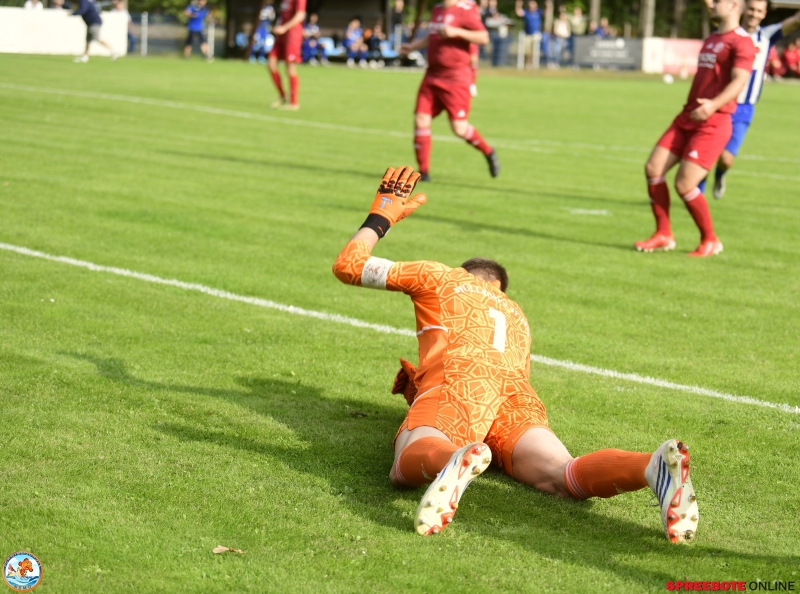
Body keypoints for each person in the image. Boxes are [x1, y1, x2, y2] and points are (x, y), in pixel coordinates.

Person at [331, 165, 700, 543]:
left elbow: (348, 266)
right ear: (499, 286)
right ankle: (649, 466)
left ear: (466, 271)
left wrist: (380, 218)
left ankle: (451, 458)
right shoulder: (517, 314)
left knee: (404, 464)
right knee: (562, 474)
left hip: (462, 379)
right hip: (515, 394)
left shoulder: (442, 277)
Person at [635, 0, 756, 257]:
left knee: (685, 184)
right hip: (687, 116)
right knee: (653, 168)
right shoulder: (712, 38)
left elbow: (740, 81)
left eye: (718, 1)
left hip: (713, 122)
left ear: (734, 5)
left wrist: (713, 105)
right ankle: (663, 234)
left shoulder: (742, 42)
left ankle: (710, 240)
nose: (712, 5)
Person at [698, 0, 800, 199]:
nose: (754, 14)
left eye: (759, 11)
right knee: (706, 154)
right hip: (719, 104)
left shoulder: (767, 35)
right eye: (751, 9)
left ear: (764, 14)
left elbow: (796, 21)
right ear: (744, 9)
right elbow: (711, 6)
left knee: (726, 159)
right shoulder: (729, 30)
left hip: (743, 109)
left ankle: (720, 175)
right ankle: (696, 196)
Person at [401, 0, 499, 182]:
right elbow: (432, 37)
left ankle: (488, 151)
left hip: (455, 78)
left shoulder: (464, 10)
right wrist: (413, 46)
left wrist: (457, 32)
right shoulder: (437, 9)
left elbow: (483, 37)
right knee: (421, 118)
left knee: (459, 128)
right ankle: (424, 172)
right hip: (432, 75)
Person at [267, 0, 307, 109]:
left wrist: (284, 27)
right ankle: (282, 96)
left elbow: (300, 15)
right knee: (271, 64)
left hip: (292, 35)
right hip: (281, 35)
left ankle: (293, 103)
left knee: (290, 68)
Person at [515, 0, 542, 68]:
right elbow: (518, 13)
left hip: (536, 34)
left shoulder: (538, 12)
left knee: (535, 50)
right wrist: (518, 5)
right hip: (527, 34)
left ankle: (535, 64)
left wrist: (549, 6)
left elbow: (547, 12)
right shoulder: (526, 12)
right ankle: (527, 64)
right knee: (527, 50)